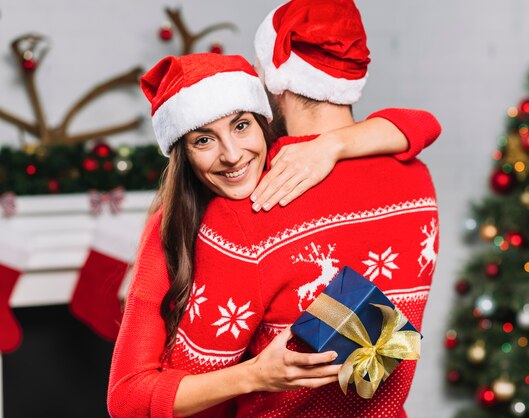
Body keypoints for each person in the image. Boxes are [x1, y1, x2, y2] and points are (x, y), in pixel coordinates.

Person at [107, 53, 440, 417]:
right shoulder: (168, 230)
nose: (232, 155)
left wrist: (332, 145)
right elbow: (126, 399)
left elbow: (421, 124)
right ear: (182, 153)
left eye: (240, 126)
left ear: (263, 122)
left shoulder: (294, 170)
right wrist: (256, 375)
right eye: (204, 140)